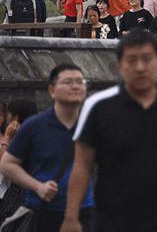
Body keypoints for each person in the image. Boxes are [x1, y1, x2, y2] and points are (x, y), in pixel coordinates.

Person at [63, 30, 157, 232]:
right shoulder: (98, 106)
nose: (140, 67)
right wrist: (71, 218)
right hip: (112, 221)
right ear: (119, 65)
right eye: (131, 60)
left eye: (147, 59)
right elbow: (82, 166)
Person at [0, 64, 93, 232]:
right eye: (67, 82)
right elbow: (7, 164)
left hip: (86, 212)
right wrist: (37, 186)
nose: (75, 86)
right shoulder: (34, 126)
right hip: (44, 213)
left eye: (80, 81)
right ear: (52, 90)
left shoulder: (94, 126)